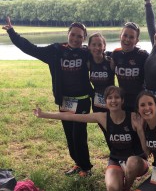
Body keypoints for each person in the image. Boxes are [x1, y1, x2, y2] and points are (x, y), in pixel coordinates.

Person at [2, 17, 94, 177]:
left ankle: (86, 168)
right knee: (70, 136)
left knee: (79, 135)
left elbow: (102, 53)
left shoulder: (87, 53)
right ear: (68, 34)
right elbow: (31, 49)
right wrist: (12, 32)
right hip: (64, 101)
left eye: (80, 36)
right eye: (73, 34)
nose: (76, 39)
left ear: (84, 38)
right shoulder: (56, 51)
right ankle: (78, 163)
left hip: (82, 101)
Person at [34, 86, 149, 191]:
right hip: (117, 160)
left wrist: (140, 130)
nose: (113, 101)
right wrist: (43, 114)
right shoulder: (102, 117)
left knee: (132, 162)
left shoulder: (134, 117)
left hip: (137, 162)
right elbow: (69, 116)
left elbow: (146, 152)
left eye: (117, 97)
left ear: (122, 100)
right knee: (112, 188)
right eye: (110, 98)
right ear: (106, 102)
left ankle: (126, 187)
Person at [111, 22, 149, 112]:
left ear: (136, 40)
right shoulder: (115, 54)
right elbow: (111, 69)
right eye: (125, 35)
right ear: (120, 36)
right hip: (122, 100)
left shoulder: (143, 55)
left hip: (139, 100)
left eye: (131, 37)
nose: (127, 39)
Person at [87, 32, 115, 113]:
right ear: (89, 46)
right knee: (100, 122)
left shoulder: (110, 61)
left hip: (111, 99)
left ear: (104, 47)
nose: (97, 48)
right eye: (94, 44)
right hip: (96, 100)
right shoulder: (89, 63)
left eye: (100, 45)